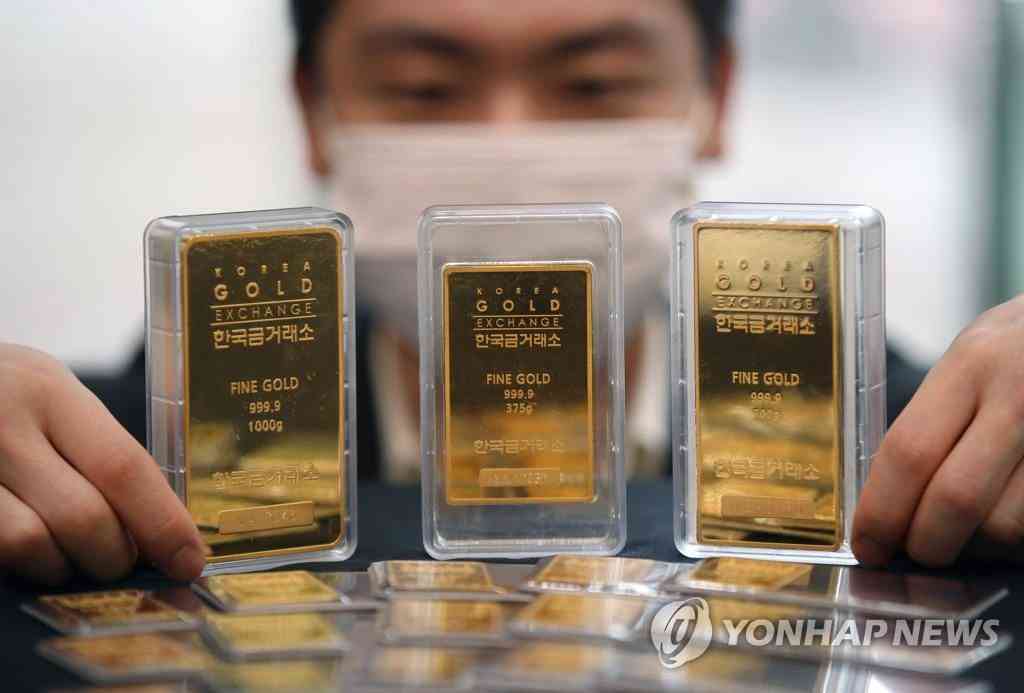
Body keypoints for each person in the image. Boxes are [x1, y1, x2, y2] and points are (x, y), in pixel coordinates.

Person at [0, 0, 1019, 585]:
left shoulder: (938, 457)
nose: (507, 145)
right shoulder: (101, 472)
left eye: (595, 83)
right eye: (424, 89)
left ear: (717, 95)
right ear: (311, 108)